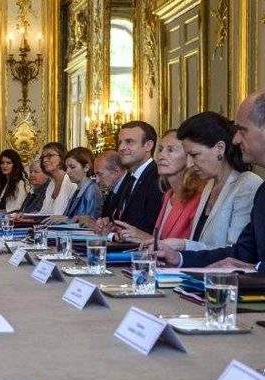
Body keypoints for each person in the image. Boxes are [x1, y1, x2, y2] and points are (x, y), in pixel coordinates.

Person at [156, 92, 265, 271]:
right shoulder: (209, 187)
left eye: (194, 155)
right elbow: (240, 252)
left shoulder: (250, 185)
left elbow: (241, 256)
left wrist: (256, 269)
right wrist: (179, 255)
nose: (236, 139)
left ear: (219, 148)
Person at [113, 130, 204, 243]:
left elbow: (193, 248)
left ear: (188, 157)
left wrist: (142, 236)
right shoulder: (168, 195)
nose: (161, 156)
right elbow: (159, 240)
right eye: (160, 150)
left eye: (170, 150)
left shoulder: (197, 198)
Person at [107, 121, 163, 235]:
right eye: (120, 142)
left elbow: (151, 229)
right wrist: (109, 226)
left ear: (148, 145)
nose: (121, 147)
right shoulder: (130, 178)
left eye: (129, 142)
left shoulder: (157, 178)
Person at [46, 147, 102, 224]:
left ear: (86, 167)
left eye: (72, 167)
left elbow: (91, 223)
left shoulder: (92, 190)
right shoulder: (79, 189)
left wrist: (66, 219)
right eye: (67, 168)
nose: (68, 171)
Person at [37, 142, 76, 215]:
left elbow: (76, 215)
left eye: (50, 155)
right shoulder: (51, 184)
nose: (44, 160)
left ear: (62, 157)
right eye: (43, 157)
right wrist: (26, 217)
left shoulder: (72, 182)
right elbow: (44, 212)